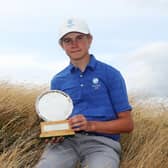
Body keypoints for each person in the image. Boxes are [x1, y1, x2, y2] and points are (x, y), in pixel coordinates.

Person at [36, 17, 134, 168]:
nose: (74, 44)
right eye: (67, 40)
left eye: (79, 38)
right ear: (62, 46)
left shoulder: (111, 74)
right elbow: (56, 120)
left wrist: (90, 125)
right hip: (66, 143)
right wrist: (54, 134)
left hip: (102, 144)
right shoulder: (58, 80)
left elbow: (127, 124)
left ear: (90, 40)